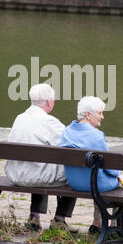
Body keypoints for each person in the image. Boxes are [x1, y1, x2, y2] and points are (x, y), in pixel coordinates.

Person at [5, 83, 77, 232]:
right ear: (49, 102)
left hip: (16, 175)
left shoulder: (19, 118)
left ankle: (34, 217)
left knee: (39, 166)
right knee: (74, 173)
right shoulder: (49, 122)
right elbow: (72, 144)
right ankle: (59, 219)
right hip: (38, 178)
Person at [60, 96, 123, 234]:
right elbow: (111, 169)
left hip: (74, 183)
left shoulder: (67, 131)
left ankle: (96, 223)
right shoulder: (96, 136)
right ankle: (114, 224)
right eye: (100, 113)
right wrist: (119, 175)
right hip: (94, 185)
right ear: (88, 115)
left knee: (95, 176)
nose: (102, 117)